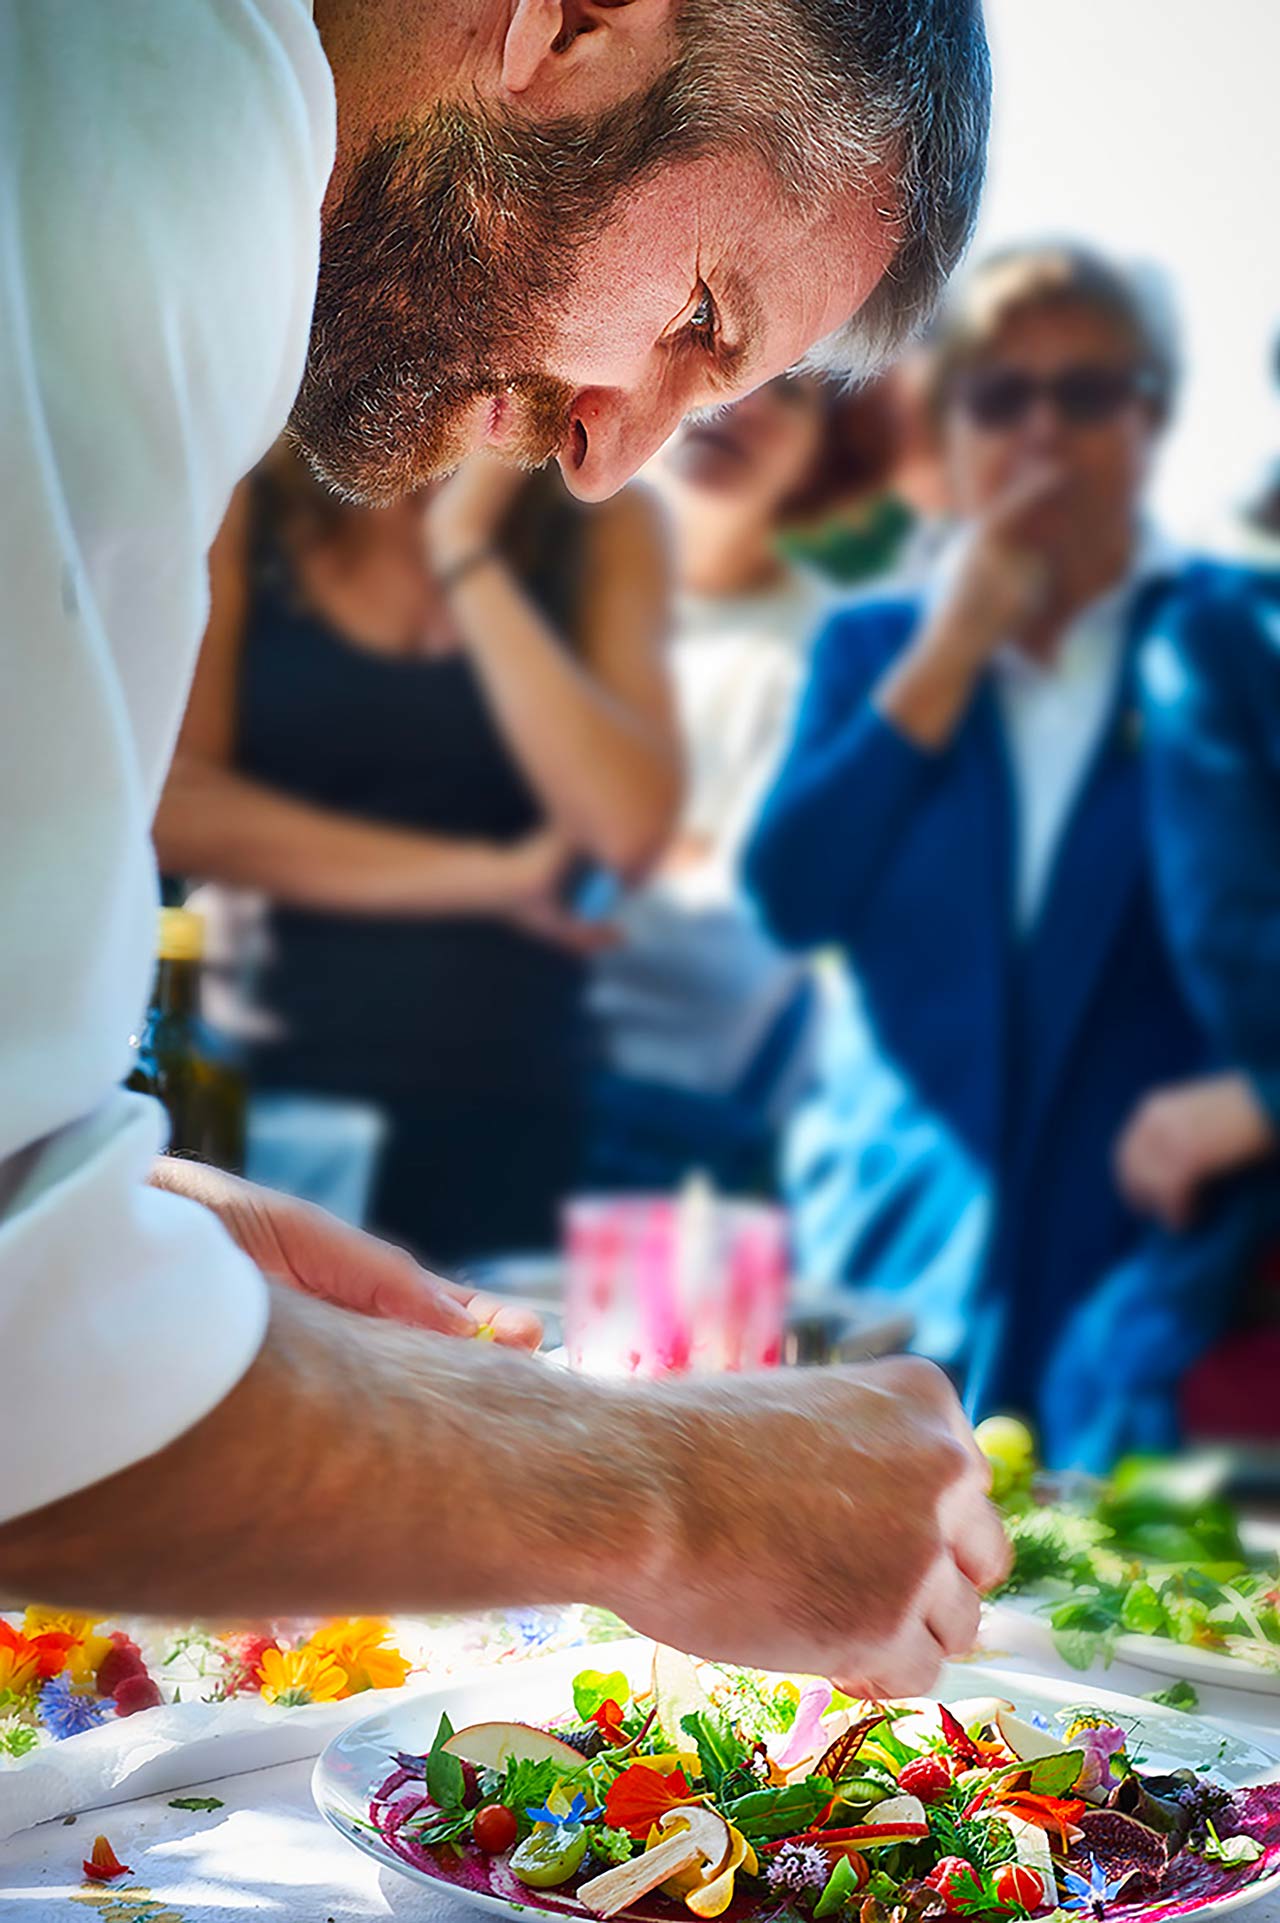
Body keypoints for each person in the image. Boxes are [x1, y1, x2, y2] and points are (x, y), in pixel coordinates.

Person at [1, 0, 1005, 1684]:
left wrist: (130, 1219)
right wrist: (675, 1490)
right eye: (698, 316)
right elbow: (24, 1381)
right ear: (580, 21)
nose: (614, 454)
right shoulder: (172, 111)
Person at [746, 242, 1256, 1468]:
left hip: (1136, 1297)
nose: (1040, 430)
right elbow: (790, 893)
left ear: (1146, 418)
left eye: (1083, 395)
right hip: (893, 1264)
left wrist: (1258, 1101)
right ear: (950, 423)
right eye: (998, 396)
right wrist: (952, 647)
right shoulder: (875, 648)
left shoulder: (1232, 648)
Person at [155, 446, 678, 1266]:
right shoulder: (242, 496)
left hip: (513, 1101)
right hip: (269, 1098)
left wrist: (463, 543)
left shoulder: (610, 523)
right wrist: (488, 877)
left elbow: (625, 828)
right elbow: (173, 804)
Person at [587, 375, 841, 1192]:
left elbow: (747, 923)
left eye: (792, 389)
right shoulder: (515, 581)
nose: (749, 401)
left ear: (816, 455)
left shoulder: (839, 651)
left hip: (669, 1140)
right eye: (734, 367)